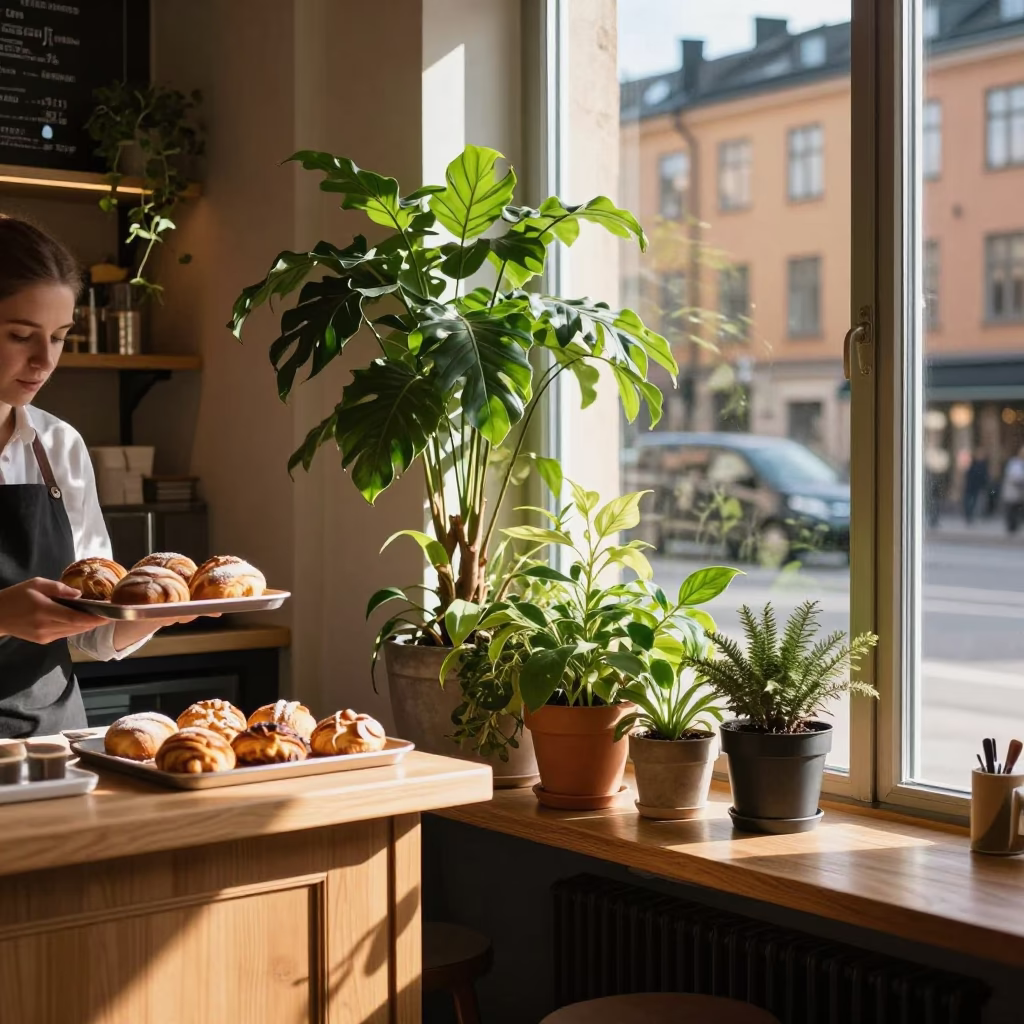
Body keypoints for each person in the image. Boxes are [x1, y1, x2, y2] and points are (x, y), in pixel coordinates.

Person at [0, 217, 188, 737]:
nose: (44, 361)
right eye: (21, 335)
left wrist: (159, 611)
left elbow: (89, 634)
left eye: (59, 337)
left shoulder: (58, 446)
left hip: (47, 748)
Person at [963, 447, 990, 525]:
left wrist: (984, 484)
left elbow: (984, 476)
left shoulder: (982, 465)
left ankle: (971, 516)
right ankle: (969, 516)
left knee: (973, 502)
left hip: (976, 486)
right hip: (970, 486)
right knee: (969, 502)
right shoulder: (973, 463)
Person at [1001, 445, 1024, 535]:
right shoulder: (1015, 463)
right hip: (1013, 492)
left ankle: (1015, 527)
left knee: (1019, 510)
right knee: (1011, 509)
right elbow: (1014, 477)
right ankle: (1011, 528)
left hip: (1020, 493)